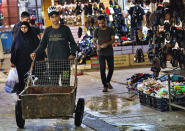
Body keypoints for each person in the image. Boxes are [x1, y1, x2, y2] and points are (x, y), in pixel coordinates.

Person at [30, 6, 77, 86]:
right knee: (53, 85)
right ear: (49, 18)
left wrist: (72, 54)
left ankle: (65, 98)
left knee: (65, 84)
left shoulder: (65, 29)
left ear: (59, 16)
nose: (55, 19)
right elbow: (42, 45)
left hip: (65, 63)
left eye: (56, 16)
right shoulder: (47, 31)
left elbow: (73, 43)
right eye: (52, 17)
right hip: (52, 64)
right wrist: (35, 53)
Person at [10, 21, 45, 94]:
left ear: (28, 28)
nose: (23, 29)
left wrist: (44, 56)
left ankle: (32, 93)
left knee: (32, 77)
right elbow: (13, 49)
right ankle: (22, 94)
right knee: (22, 79)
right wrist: (12, 61)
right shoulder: (17, 37)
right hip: (20, 63)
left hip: (31, 62)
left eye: (25, 28)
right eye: (22, 28)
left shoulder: (33, 37)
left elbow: (39, 47)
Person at [93, 15, 115, 92]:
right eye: (99, 23)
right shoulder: (96, 30)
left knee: (111, 68)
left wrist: (107, 44)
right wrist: (97, 45)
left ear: (105, 21)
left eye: (102, 23)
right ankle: (105, 85)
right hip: (101, 52)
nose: (101, 25)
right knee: (102, 69)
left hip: (109, 51)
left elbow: (113, 40)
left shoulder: (110, 29)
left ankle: (108, 81)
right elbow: (94, 41)